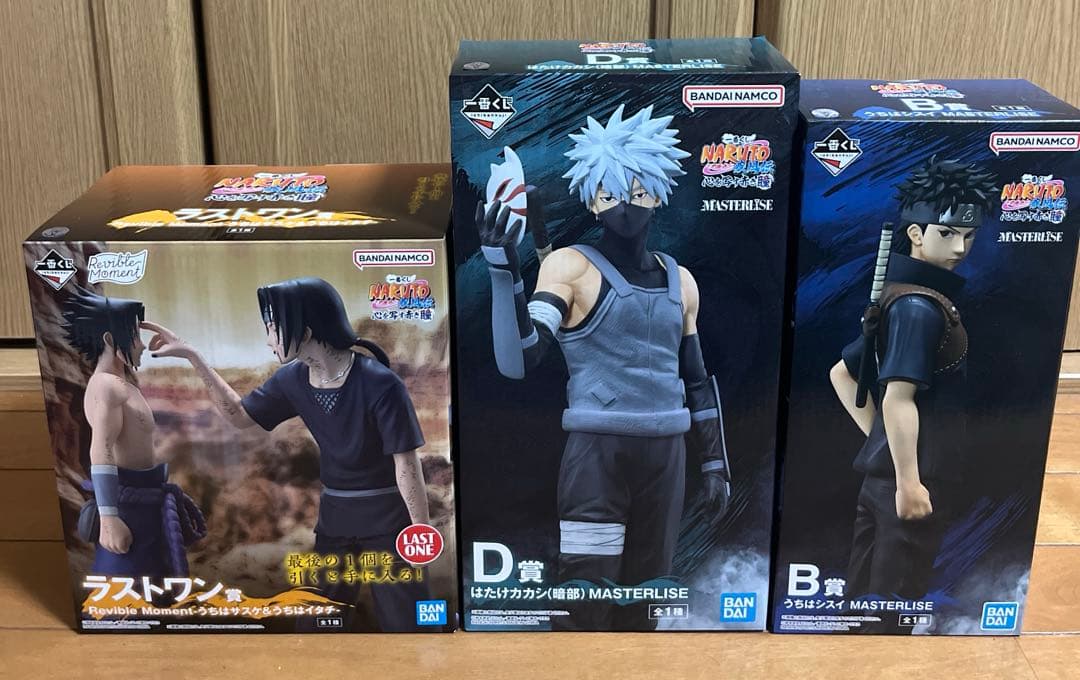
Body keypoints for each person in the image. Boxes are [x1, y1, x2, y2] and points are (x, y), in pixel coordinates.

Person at [477, 105, 732, 630]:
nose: (624, 207)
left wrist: (714, 463)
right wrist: (504, 272)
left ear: (657, 194)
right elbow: (520, 359)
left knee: (646, 596)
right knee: (584, 594)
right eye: (610, 194)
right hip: (598, 456)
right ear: (592, 201)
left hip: (667, 455)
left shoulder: (681, 281)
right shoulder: (569, 267)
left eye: (637, 191)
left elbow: (697, 381)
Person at [143, 277, 431, 631]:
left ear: (305, 330)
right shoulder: (292, 379)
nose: (268, 340)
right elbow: (240, 416)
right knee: (317, 624)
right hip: (336, 519)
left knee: (409, 623)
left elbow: (406, 463)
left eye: (273, 329)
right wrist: (193, 356)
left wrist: (421, 533)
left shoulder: (381, 384)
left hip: (388, 520)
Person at [830, 156, 996, 607]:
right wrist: (908, 481)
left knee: (865, 599)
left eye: (969, 236)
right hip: (912, 481)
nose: (960, 247)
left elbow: (843, 374)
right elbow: (897, 399)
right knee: (893, 602)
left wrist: (881, 443)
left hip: (886, 478)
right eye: (947, 233)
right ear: (917, 235)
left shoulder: (901, 298)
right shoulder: (919, 308)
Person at [62, 286, 204, 579]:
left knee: (155, 587)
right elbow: (101, 448)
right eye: (136, 336)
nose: (142, 346)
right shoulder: (106, 386)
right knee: (127, 589)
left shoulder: (122, 385)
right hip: (126, 507)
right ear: (109, 339)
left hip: (145, 504)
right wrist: (109, 517)